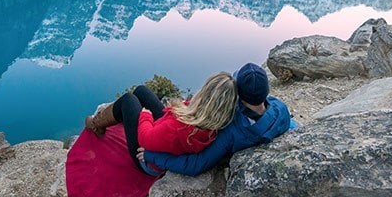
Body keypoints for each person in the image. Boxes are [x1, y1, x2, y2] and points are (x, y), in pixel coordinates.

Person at [137, 63, 294, 176]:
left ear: (239, 95)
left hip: (153, 154)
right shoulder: (280, 109)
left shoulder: (231, 130)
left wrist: (153, 156)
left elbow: (196, 165)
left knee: (135, 99)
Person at [84, 71, 238, 175]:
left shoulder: (177, 128)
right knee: (141, 91)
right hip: (170, 141)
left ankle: (95, 124)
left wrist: (146, 116)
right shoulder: (218, 120)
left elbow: (145, 138)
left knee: (128, 101)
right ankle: (110, 119)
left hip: (147, 160)